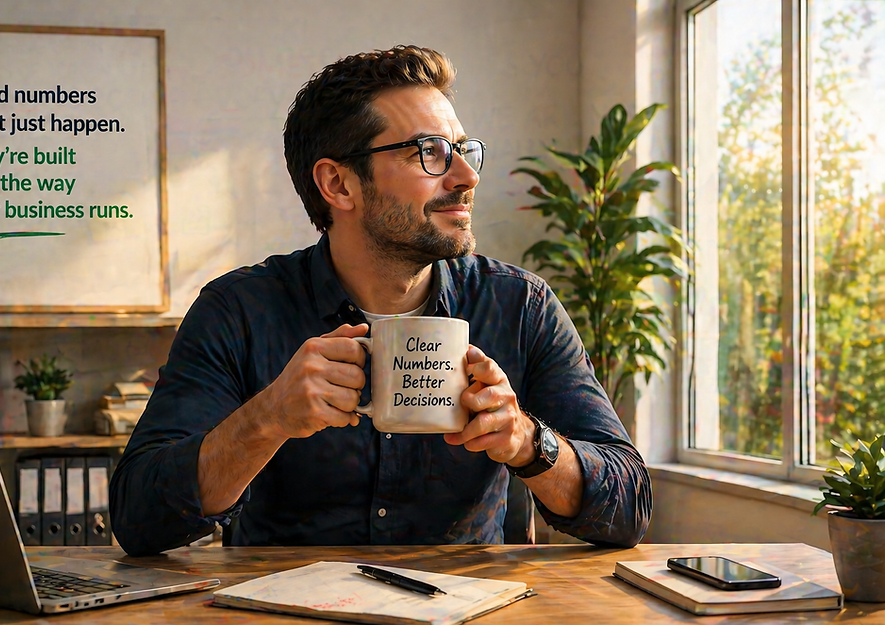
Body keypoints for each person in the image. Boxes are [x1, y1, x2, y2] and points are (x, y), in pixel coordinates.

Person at [109, 45, 651, 556]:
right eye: (429, 154)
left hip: (469, 621)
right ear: (339, 185)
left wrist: (530, 443)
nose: (466, 177)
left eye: (462, 151)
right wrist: (267, 419)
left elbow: (630, 506)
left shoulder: (519, 306)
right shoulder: (240, 311)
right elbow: (138, 519)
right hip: (285, 621)